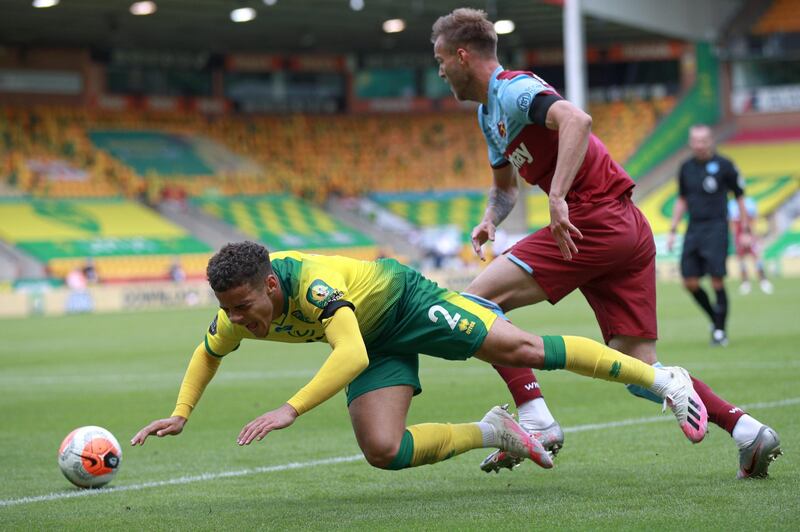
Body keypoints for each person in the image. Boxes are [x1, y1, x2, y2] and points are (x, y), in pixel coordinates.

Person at [431, 8, 781, 478]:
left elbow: (577, 120)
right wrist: (490, 219)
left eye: (440, 60)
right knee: (639, 373)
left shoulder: (513, 90)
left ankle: (535, 419)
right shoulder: (486, 114)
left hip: (592, 217)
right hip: (623, 227)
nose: (438, 71)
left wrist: (556, 197)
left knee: (471, 306)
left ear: (462, 54)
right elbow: (506, 188)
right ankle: (747, 431)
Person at [131, 241, 707, 473]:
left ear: (270, 287)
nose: (235, 319)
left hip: (406, 302)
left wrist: (291, 408)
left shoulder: (310, 286)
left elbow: (349, 353)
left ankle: (662, 379)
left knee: (523, 347)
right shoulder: (236, 314)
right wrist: (182, 412)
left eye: (242, 305)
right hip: (374, 340)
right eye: (226, 308)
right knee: (384, 450)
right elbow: (208, 353)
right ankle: (493, 432)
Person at [668, 125, 750, 346]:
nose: (699, 144)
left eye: (703, 140)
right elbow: (682, 199)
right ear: (691, 142)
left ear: (711, 141)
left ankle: (720, 332)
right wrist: (673, 229)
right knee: (690, 282)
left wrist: (745, 231)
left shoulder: (725, 165)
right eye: (695, 140)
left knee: (716, 280)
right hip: (693, 228)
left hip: (717, 228)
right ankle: (715, 319)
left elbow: (740, 197)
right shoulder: (685, 167)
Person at [728, 196, 773, 295]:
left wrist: (751, 235)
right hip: (738, 236)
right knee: (740, 258)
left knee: (756, 257)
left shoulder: (749, 202)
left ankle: (763, 281)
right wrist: (737, 237)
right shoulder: (731, 204)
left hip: (750, 234)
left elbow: (754, 220)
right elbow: (731, 223)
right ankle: (745, 283)